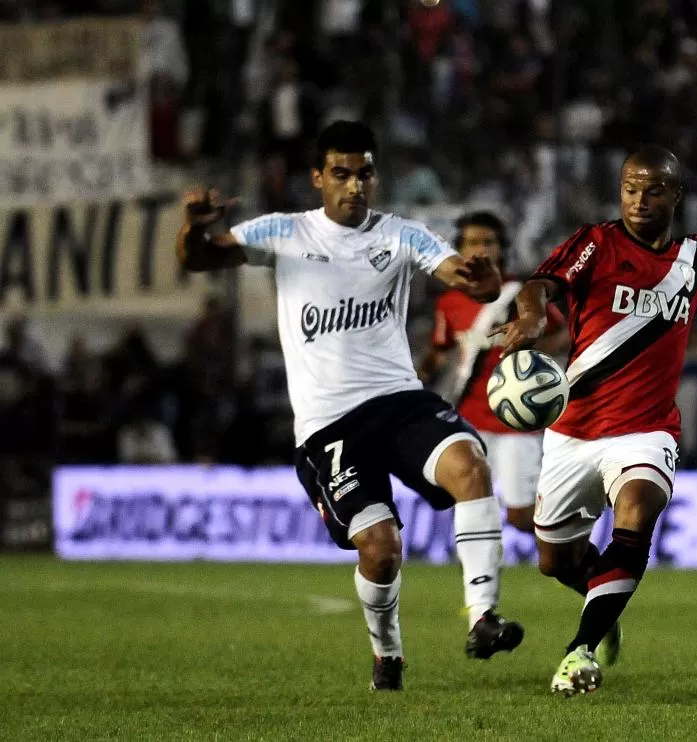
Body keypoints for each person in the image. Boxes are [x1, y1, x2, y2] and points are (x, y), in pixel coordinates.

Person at [175, 121, 524, 691]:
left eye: (364, 173)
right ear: (318, 178)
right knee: (381, 550)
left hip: (399, 400)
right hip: (329, 424)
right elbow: (200, 260)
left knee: (470, 466)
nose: (355, 185)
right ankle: (388, 653)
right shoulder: (282, 232)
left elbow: (463, 278)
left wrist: (483, 282)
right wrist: (193, 228)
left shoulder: (401, 235)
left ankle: (482, 616)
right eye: (341, 174)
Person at [491, 145, 697, 696]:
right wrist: (534, 314)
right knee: (555, 561)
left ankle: (579, 651)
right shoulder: (596, 244)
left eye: (653, 190)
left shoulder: (694, 258)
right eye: (630, 189)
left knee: (637, 511)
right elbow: (541, 283)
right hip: (574, 430)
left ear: (675, 196)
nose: (639, 200)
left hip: (647, 429)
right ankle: (603, 603)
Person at [418, 211, 569, 533]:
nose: (481, 249)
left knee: (520, 515)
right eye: (472, 242)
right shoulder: (450, 302)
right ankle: (480, 564)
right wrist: (415, 380)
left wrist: (533, 359)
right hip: (468, 418)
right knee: (470, 507)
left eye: (488, 242)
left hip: (516, 417)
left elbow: (562, 333)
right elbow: (440, 350)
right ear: (459, 249)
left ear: (502, 248)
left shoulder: (522, 295)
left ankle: (573, 547)